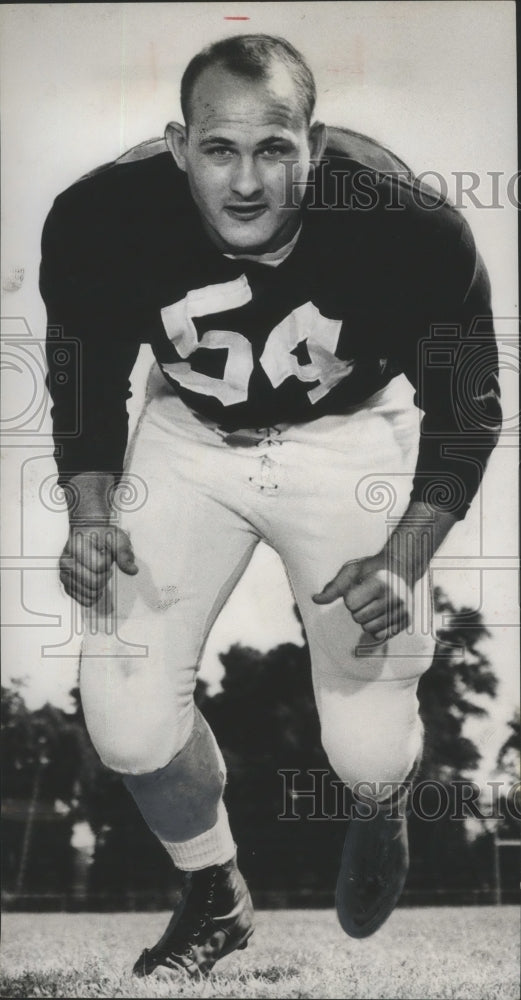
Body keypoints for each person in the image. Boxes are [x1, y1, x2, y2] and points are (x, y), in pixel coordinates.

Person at [41, 33, 501, 978]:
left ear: (315, 142)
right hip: (189, 437)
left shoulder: (406, 223)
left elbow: (467, 409)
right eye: (218, 149)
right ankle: (215, 892)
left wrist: (404, 555)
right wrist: (91, 515)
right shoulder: (100, 215)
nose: (246, 181)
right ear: (177, 147)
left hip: (348, 435)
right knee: (125, 721)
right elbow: (83, 381)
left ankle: (380, 805)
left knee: (368, 754)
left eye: (274, 149)